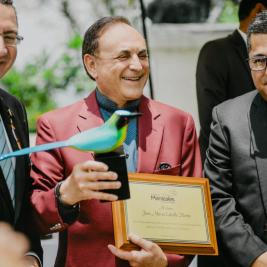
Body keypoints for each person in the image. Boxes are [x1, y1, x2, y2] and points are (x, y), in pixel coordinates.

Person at [30, 16, 202, 267]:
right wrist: (67, 193)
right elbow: (35, 218)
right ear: (91, 65)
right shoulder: (56, 127)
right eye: (123, 56)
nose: (137, 66)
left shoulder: (179, 123)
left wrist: (164, 261)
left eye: (142, 55)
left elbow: (193, 220)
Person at [199, 10, 267, 267]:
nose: (266, 69)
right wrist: (256, 256)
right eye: (259, 60)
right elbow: (217, 198)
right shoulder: (227, 118)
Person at [196, 0, 267, 163]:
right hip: (230, 165)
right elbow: (210, 121)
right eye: (258, 60)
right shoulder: (216, 52)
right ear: (259, 10)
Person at [0, 1, 42, 266]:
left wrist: (32, 258)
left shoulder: (13, 108)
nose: (2, 50)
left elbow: (21, 208)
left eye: (10, 36)